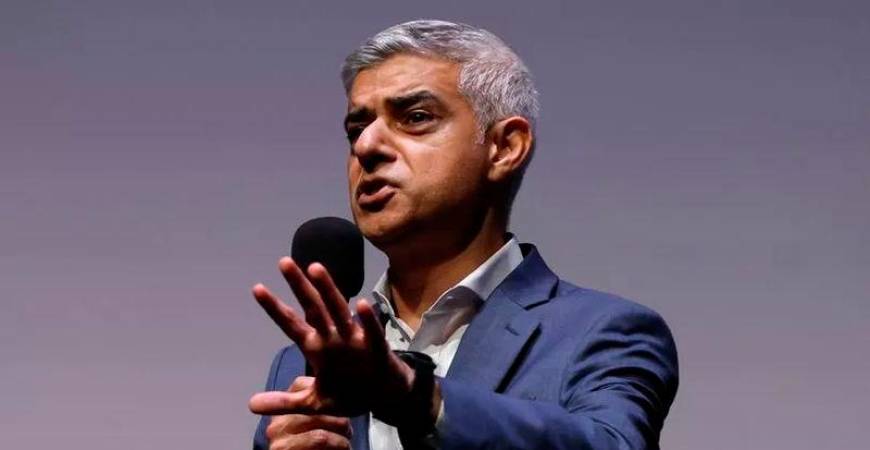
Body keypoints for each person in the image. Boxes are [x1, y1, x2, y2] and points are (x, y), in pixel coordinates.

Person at [250, 19, 678, 450]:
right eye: (356, 129)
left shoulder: (604, 332)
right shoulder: (300, 364)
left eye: (415, 118)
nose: (365, 147)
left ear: (505, 147)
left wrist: (414, 396)